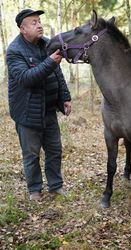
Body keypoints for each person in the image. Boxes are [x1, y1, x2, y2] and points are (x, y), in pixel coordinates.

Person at [6, 9, 72, 201]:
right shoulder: (14, 51)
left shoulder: (46, 44)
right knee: (31, 155)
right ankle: (35, 190)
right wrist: (50, 62)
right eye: (34, 22)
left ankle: (56, 186)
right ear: (23, 29)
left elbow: (57, 74)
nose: (39, 25)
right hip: (27, 114)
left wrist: (64, 98)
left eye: (39, 21)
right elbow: (27, 79)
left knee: (54, 150)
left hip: (49, 110)